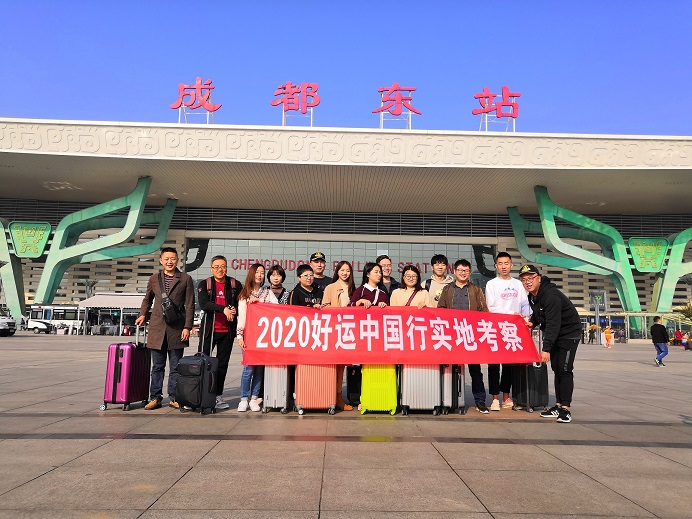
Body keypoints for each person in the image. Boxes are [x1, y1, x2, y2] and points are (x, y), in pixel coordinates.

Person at [520, 264, 581, 424]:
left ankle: (565, 409)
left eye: (531, 278)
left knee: (565, 369)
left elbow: (553, 323)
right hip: (556, 334)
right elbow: (538, 313)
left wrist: (546, 349)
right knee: (556, 368)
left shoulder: (550, 295)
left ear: (539, 278)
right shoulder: (533, 296)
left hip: (569, 333)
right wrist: (532, 322)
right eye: (524, 279)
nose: (527, 282)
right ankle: (558, 405)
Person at [136, 247, 195, 410]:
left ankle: (174, 397)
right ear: (161, 260)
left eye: (173, 258)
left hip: (177, 329)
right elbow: (147, 299)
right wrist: (142, 314)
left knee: (176, 366)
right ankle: (155, 397)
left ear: (177, 260)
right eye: (166, 259)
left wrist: (187, 327)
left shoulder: (185, 279)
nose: (170, 261)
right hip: (157, 328)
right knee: (157, 366)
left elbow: (190, 304)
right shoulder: (154, 279)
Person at [437, 259, 490, 414]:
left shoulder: (476, 289)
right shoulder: (447, 289)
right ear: (454, 271)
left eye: (466, 271)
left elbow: (484, 311)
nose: (463, 273)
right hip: (452, 336)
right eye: (460, 270)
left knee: (475, 370)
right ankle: (450, 400)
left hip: (470, 335)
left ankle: (480, 400)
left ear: (469, 272)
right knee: (450, 369)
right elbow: (440, 309)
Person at [484, 252, 531, 411]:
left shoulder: (518, 284)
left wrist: (526, 317)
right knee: (493, 364)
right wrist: (511, 313)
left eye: (506, 263)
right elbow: (491, 307)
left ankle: (506, 396)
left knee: (509, 364)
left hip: (513, 329)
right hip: (495, 328)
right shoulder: (491, 284)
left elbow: (524, 304)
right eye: (500, 263)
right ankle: (494, 398)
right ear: (496, 266)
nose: (503, 266)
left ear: (511, 265)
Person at [196, 255, 242, 410]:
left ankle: (217, 396)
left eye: (223, 266)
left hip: (227, 332)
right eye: (216, 267)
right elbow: (204, 304)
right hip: (209, 331)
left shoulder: (234, 284)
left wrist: (234, 309)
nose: (220, 269)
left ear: (227, 268)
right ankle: (199, 395)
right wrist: (223, 309)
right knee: (203, 363)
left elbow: (241, 304)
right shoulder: (205, 284)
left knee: (222, 365)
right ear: (211, 269)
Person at [236, 263, 278, 412]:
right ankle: (243, 399)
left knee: (259, 369)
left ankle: (254, 398)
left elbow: (276, 308)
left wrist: (260, 303)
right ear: (251, 274)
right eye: (257, 272)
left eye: (262, 272)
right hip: (249, 336)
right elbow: (242, 317)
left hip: (263, 338)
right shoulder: (244, 295)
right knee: (248, 368)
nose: (259, 275)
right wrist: (240, 336)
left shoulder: (267, 293)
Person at [322, 260, 357, 411]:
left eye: (348, 270)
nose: (345, 273)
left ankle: (338, 397)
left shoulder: (353, 288)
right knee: (333, 365)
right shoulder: (330, 288)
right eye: (342, 270)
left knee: (342, 365)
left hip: (347, 331)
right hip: (334, 329)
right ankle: (330, 396)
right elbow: (324, 306)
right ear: (337, 271)